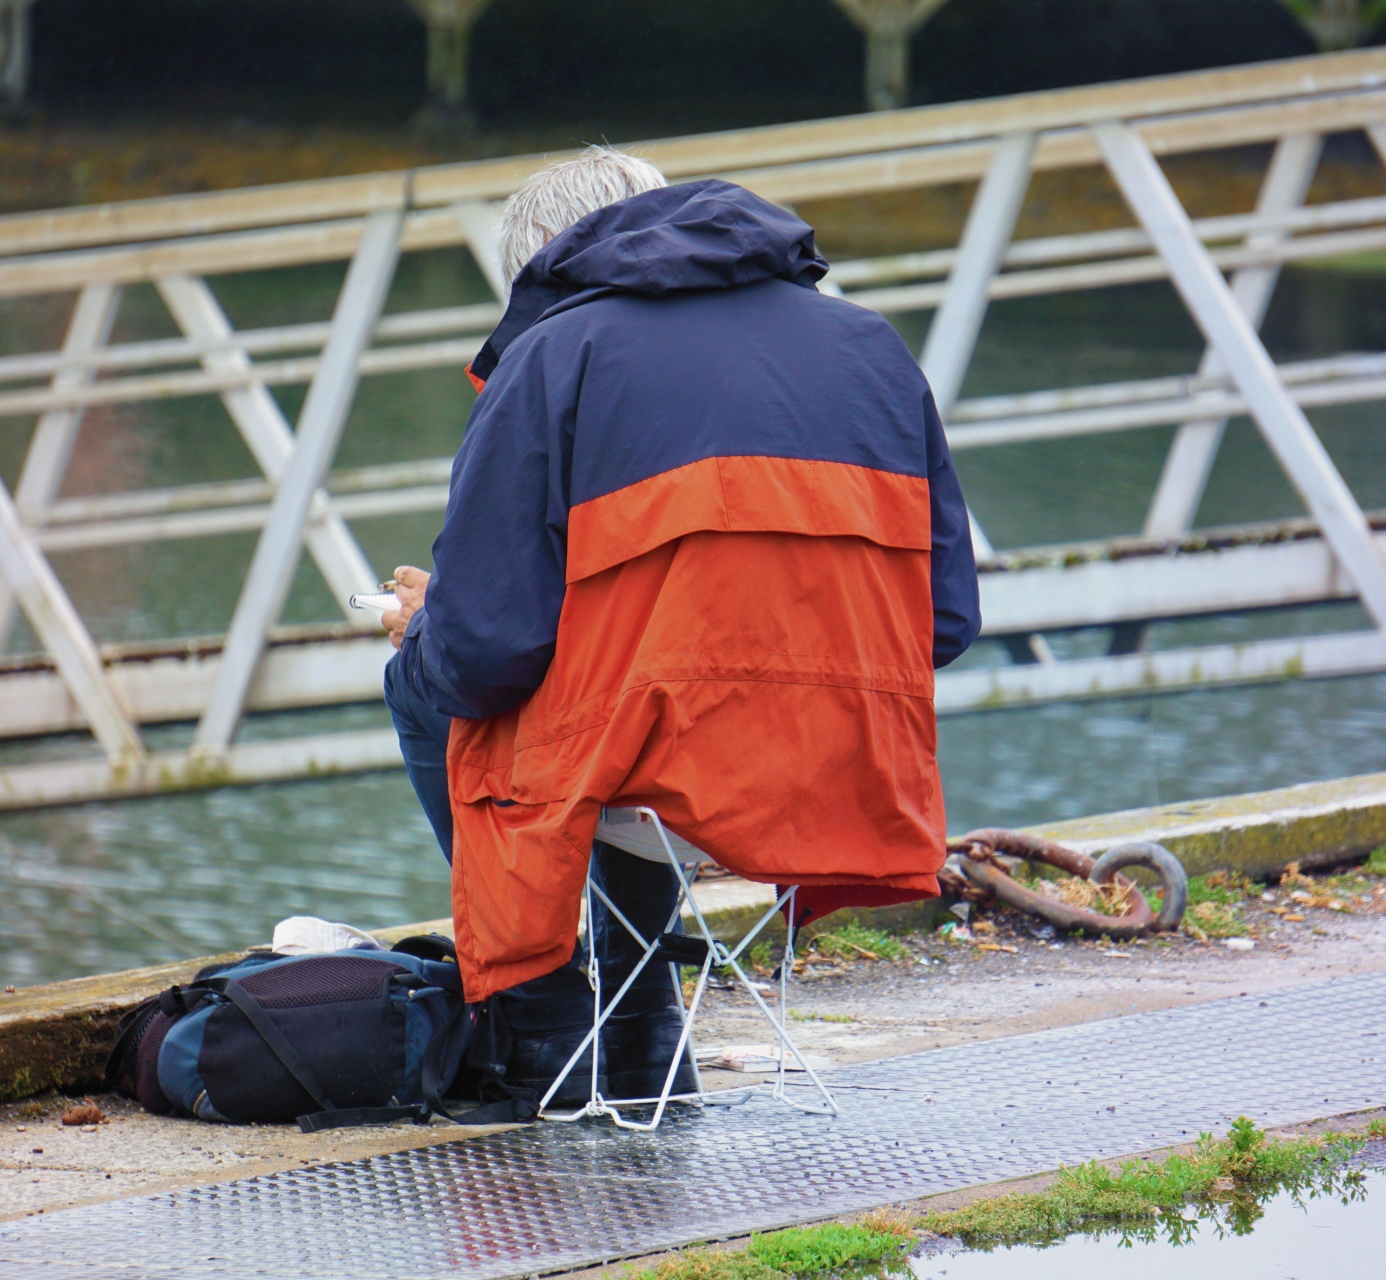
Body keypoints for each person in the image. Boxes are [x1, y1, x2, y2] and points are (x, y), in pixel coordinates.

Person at [382, 146, 980, 1105]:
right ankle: (645, 1017)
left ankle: (542, 1021)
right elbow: (943, 621)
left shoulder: (554, 355)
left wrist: (428, 625)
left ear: (548, 260)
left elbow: (486, 655)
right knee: (641, 688)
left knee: (430, 685)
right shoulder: (871, 345)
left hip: (647, 768)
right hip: (837, 768)